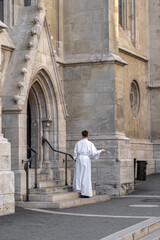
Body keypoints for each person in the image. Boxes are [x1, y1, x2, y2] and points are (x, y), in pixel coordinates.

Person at [73, 130, 105, 198]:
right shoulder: (89, 143)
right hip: (86, 159)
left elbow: (75, 153)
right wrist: (101, 151)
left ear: (82, 135)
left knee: (79, 174)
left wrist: (76, 158)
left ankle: (78, 189)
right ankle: (85, 192)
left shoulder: (78, 143)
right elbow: (94, 152)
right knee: (86, 175)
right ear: (88, 135)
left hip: (79, 159)